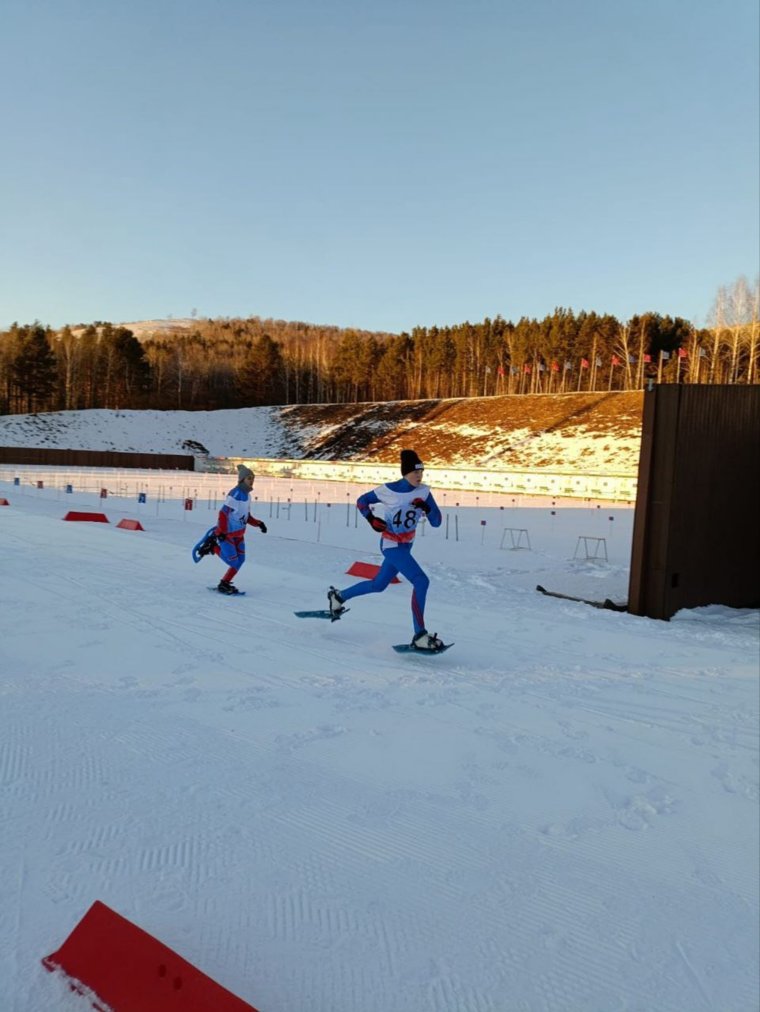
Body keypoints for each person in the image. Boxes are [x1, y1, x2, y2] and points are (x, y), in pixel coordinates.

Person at [327, 449, 445, 650]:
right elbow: (361, 502)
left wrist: (427, 508)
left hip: (407, 545)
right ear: (405, 472)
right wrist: (371, 519)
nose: (419, 476)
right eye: (416, 472)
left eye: (422, 472)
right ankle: (420, 635)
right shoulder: (387, 490)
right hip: (391, 545)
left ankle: (339, 596)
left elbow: (437, 522)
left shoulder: (424, 492)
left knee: (379, 585)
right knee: (421, 581)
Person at [212, 464, 268, 594]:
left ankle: (224, 583)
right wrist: (221, 532)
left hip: (239, 534)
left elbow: (245, 516)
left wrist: (259, 524)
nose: (252, 480)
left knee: (240, 561)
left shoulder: (247, 496)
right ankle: (213, 547)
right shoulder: (235, 494)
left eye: (253, 478)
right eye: (249, 478)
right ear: (242, 479)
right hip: (228, 535)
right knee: (233, 561)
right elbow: (223, 513)